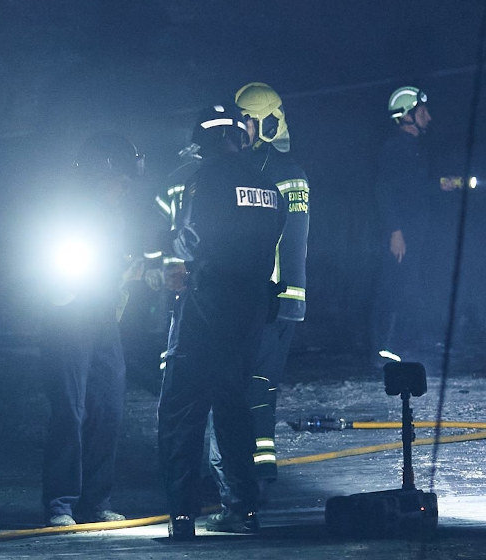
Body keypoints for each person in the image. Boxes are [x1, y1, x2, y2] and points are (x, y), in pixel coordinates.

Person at [157, 107, 286, 540]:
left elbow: (190, 239)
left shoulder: (206, 179)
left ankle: (181, 516)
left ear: (206, 142)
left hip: (205, 305)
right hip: (249, 310)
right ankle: (244, 510)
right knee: (234, 408)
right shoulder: (268, 186)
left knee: (183, 409)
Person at [202, 82, 311, 532]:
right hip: (250, 301)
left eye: (245, 119)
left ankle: (257, 483)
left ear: (266, 122)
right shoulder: (247, 167)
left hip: (275, 301)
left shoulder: (286, 171)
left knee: (257, 392)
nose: (240, 127)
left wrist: (287, 298)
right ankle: (252, 479)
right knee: (245, 390)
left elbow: (294, 241)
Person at [40, 133, 145, 527]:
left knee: (109, 405)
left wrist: (129, 275)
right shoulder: (65, 212)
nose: (123, 187)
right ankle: (61, 504)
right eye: (119, 180)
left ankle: (96, 502)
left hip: (102, 319)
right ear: (98, 175)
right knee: (71, 408)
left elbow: (117, 264)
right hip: (67, 318)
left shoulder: (116, 215)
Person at [372, 85, 457, 364]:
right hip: (402, 233)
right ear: (406, 115)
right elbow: (384, 191)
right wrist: (395, 232)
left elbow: (414, 188)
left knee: (411, 286)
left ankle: (406, 344)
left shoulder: (413, 149)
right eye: (423, 111)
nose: (429, 117)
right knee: (395, 286)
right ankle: (383, 349)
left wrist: (439, 185)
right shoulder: (394, 149)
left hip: (416, 231)